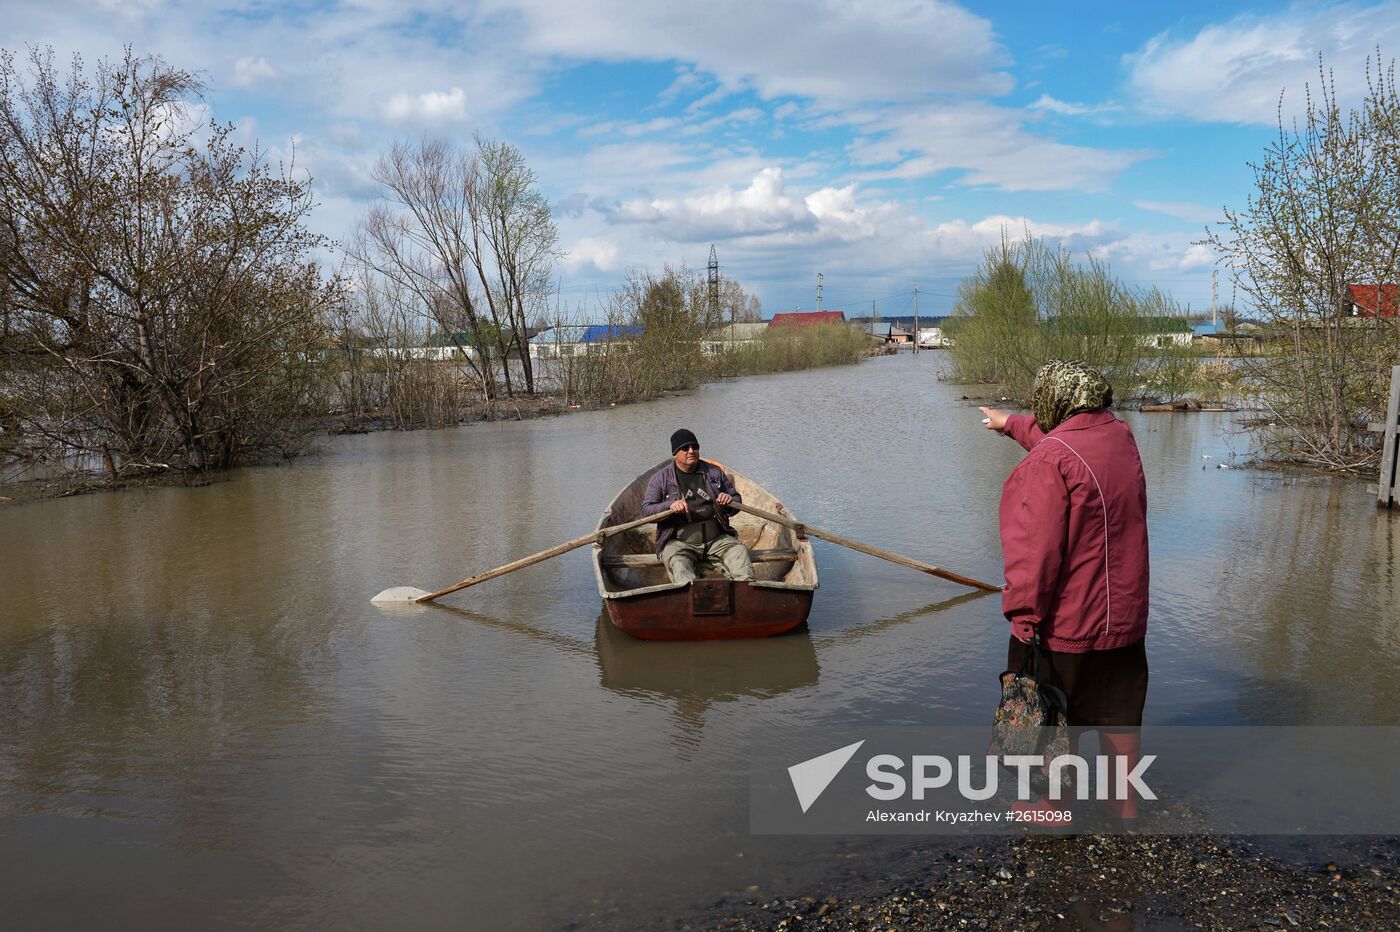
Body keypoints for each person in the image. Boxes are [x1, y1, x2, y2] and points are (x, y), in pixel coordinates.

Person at [980, 360, 1149, 820]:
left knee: (1055, 715)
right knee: (1118, 710)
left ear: (1052, 401)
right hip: (1125, 620)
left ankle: (1054, 807)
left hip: (1068, 623)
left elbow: (1033, 555)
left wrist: (1023, 618)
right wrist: (1010, 424)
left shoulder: (1046, 465)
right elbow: (1071, 445)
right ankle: (1125, 804)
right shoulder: (1120, 438)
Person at [640, 429, 755, 585]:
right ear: (675, 453)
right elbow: (646, 511)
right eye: (685, 448)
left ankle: (745, 596)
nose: (691, 451)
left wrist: (729, 501)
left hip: (717, 540)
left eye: (695, 447)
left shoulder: (714, 472)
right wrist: (670, 506)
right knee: (680, 566)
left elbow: (736, 500)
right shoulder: (660, 479)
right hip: (679, 543)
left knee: (739, 553)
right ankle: (688, 598)